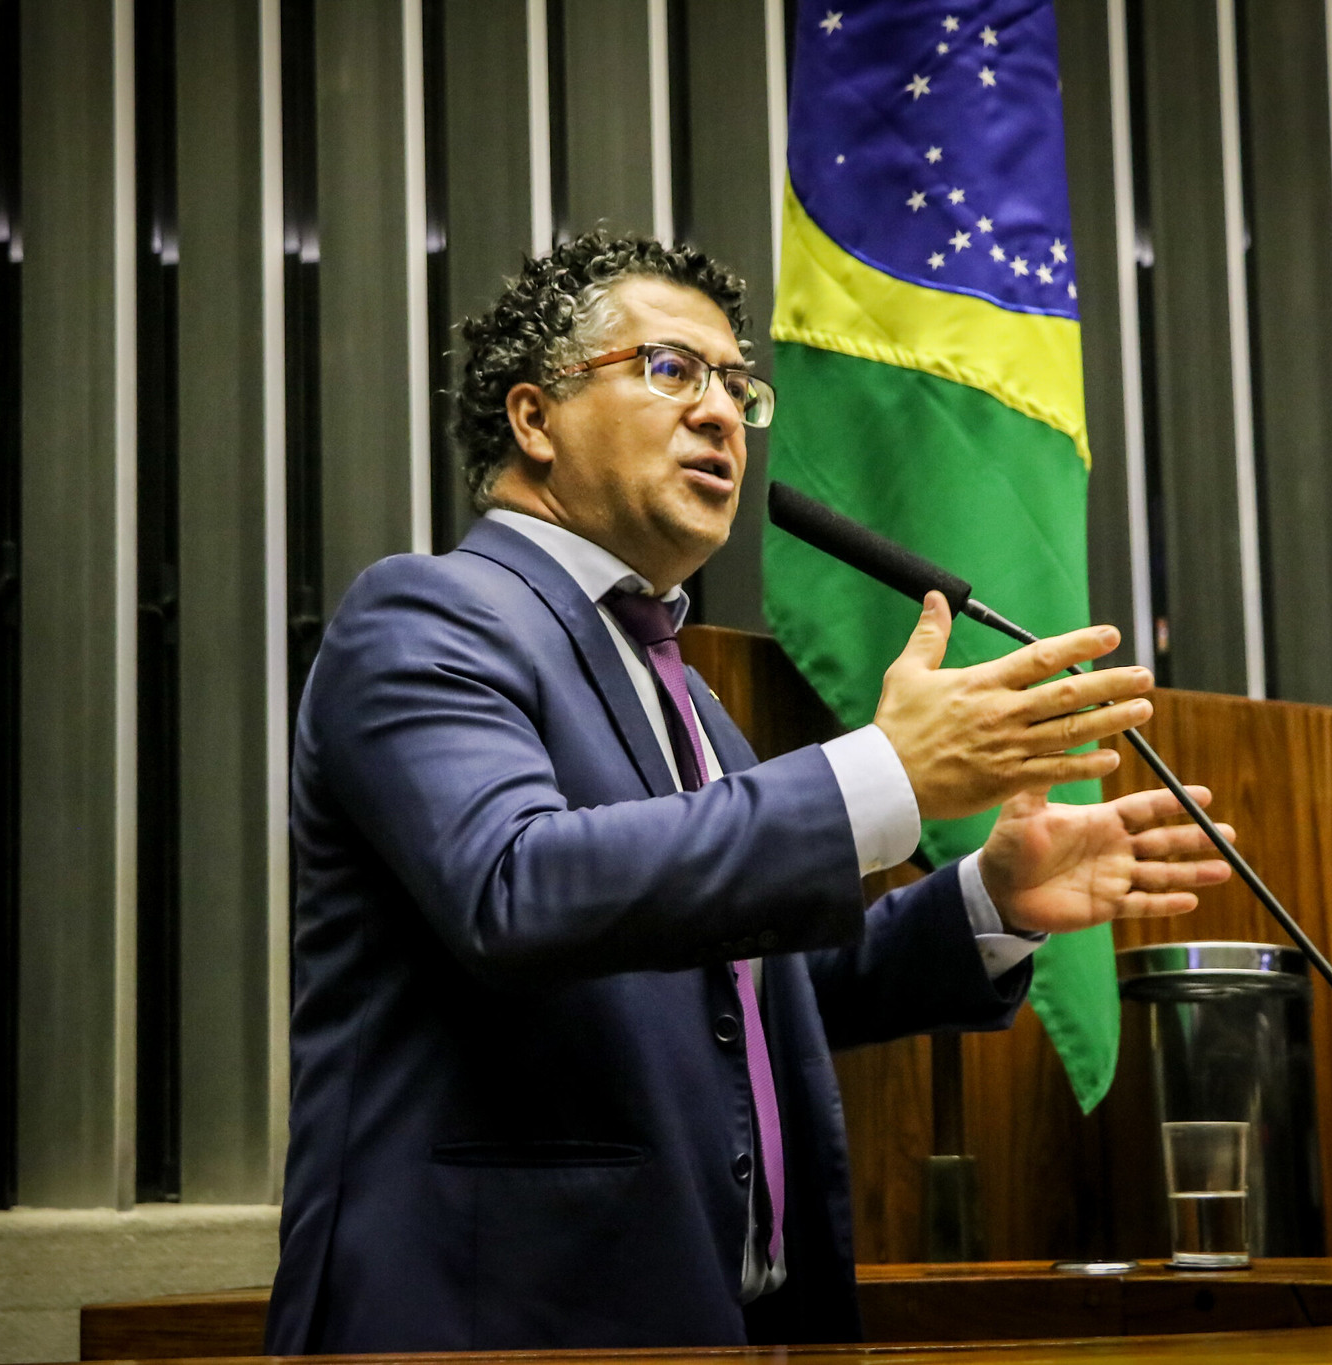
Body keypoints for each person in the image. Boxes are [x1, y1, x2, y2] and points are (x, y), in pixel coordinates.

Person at [261, 234, 1232, 1354]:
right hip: (494, 1323)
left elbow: (750, 1000)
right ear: (533, 419)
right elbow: (511, 886)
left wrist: (987, 904)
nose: (723, 414)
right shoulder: (427, 616)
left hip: (720, 1325)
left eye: (735, 385)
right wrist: (882, 773)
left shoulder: (680, 695)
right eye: (671, 370)